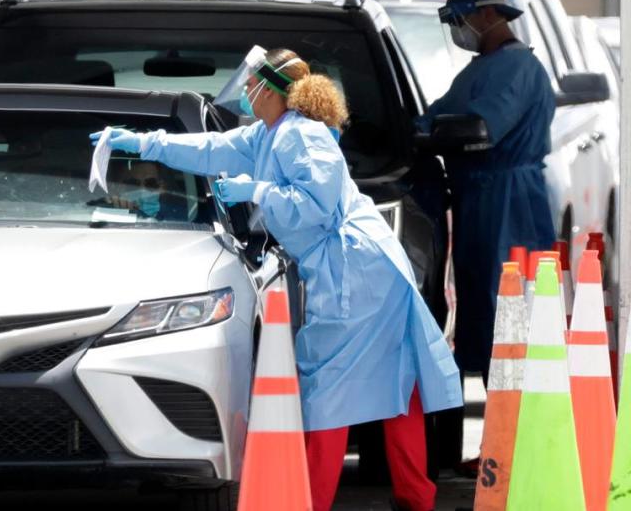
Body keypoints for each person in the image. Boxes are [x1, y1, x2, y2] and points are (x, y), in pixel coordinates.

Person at [91, 48, 461, 511]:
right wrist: (144, 144)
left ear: (272, 89)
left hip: (356, 271)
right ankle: (415, 498)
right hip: (364, 268)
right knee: (394, 381)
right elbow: (209, 149)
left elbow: (319, 206)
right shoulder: (267, 136)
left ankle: (308, 501)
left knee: (330, 390)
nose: (245, 89)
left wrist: (258, 190)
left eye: (251, 81)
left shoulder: (301, 135)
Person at [418, 0, 556, 381]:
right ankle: (499, 419)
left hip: (510, 203)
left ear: (489, 14)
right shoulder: (478, 71)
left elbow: (480, 125)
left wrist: (435, 135)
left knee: (508, 306)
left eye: (460, 19)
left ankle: (513, 427)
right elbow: (435, 117)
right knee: (480, 305)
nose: (457, 30)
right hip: (476, 200)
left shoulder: (518, 68)